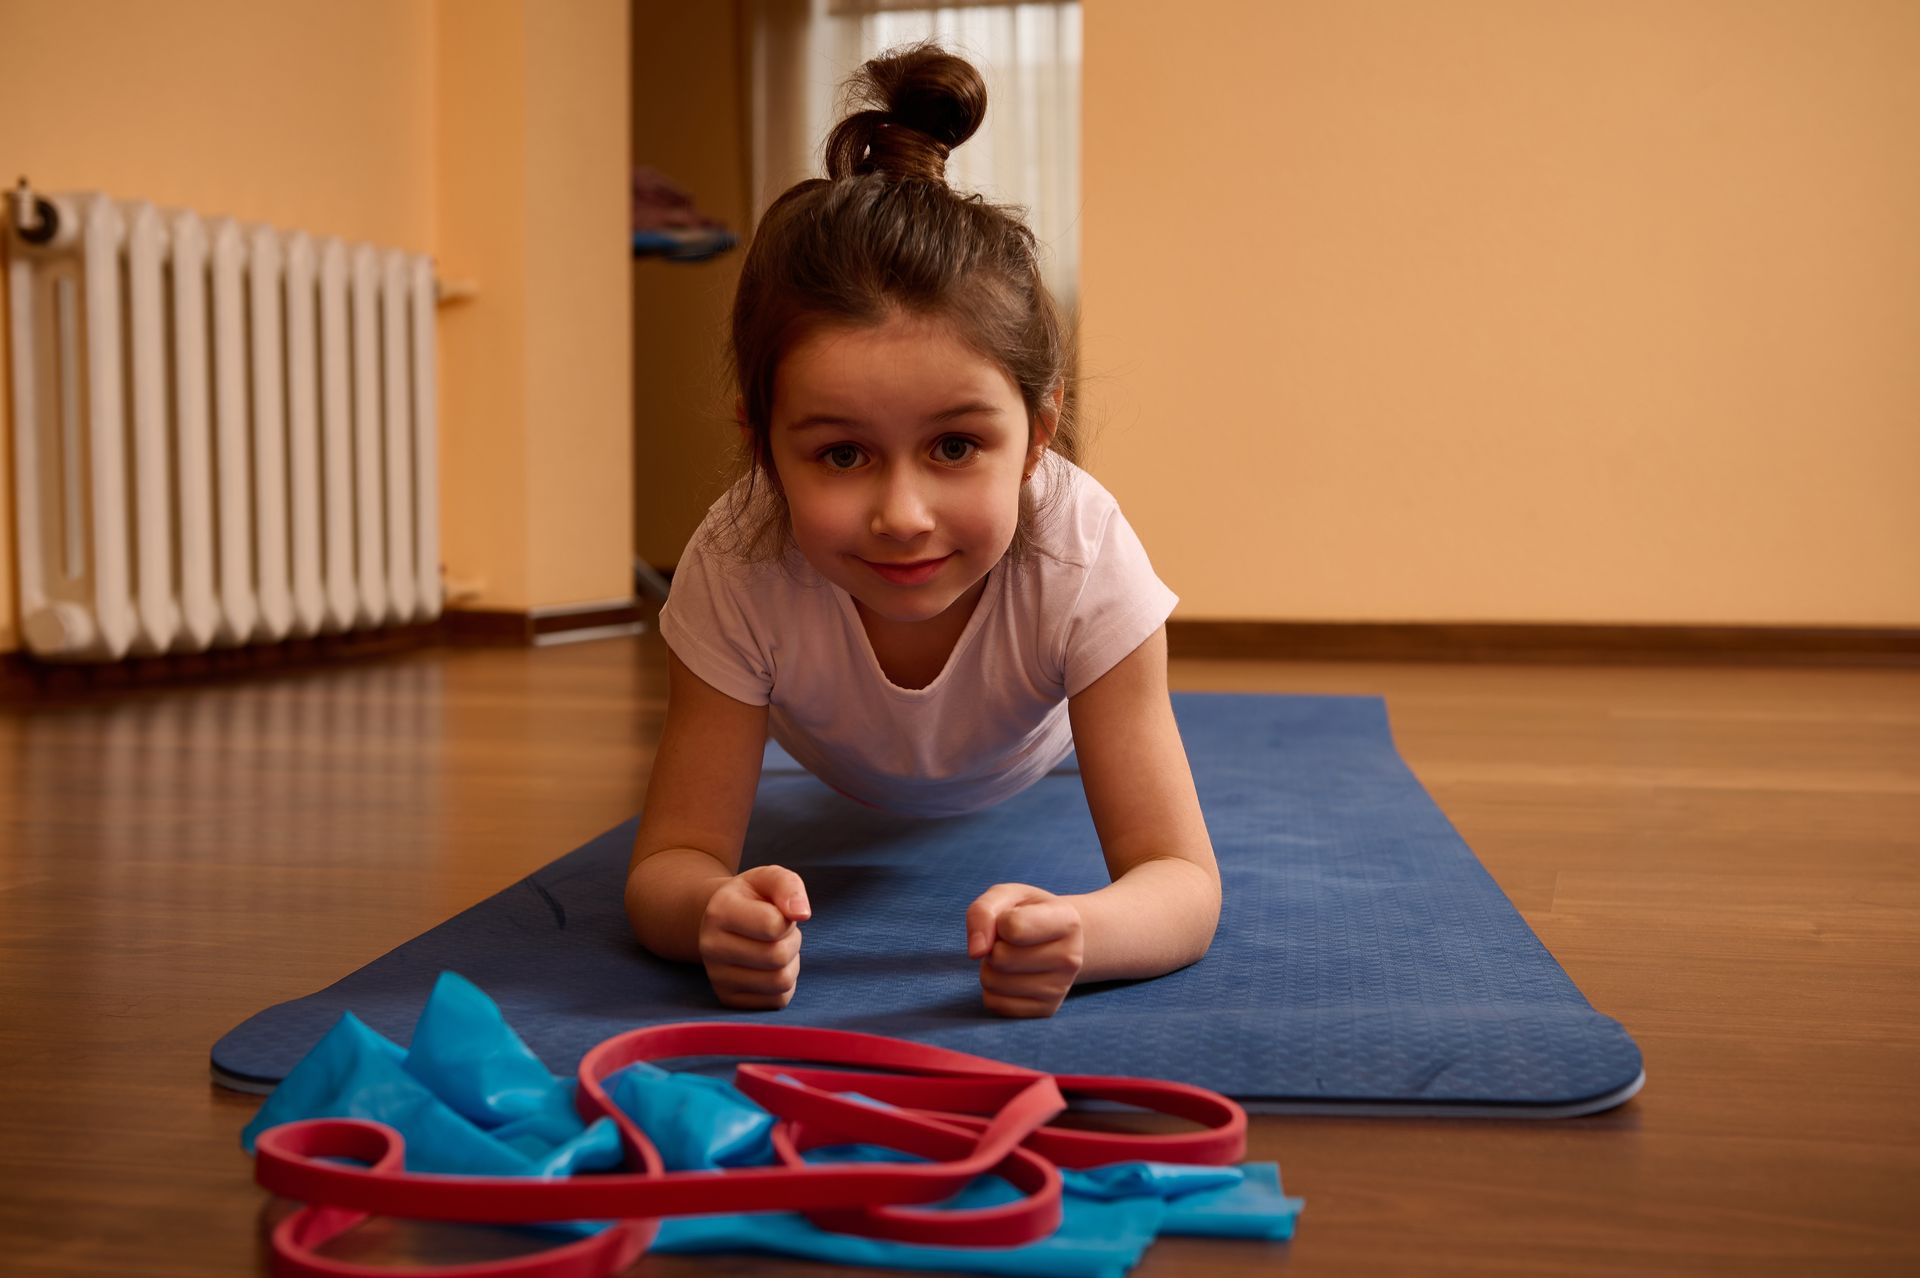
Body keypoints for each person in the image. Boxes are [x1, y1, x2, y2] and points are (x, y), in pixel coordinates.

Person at [625, 41, 1218, 1019]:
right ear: (764, 448)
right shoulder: (738, 561)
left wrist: (1084, 932)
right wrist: (708, 911)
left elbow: (1180, 879)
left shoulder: (1083, 555)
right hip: (835, 767)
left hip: (1020, 758)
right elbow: (669, 863)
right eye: (843, 456)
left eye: (953, 448)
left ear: (1037, 434)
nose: (902, 517)